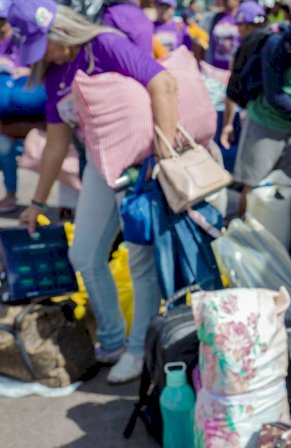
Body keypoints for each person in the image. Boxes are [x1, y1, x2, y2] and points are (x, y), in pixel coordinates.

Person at [12, 0, 178, 384]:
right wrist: (36, 202)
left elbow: (163, 83)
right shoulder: (54, 73)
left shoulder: (104, 44)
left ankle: (139, 349)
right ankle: (112, 339)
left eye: (44, 45)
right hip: (103, 170)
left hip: (141, 166)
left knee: (141, 261)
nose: (44, 56)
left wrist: (163, 157)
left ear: (60, 31)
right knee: (84, 254)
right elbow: (56, 143)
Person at [233, 0, 291, 193]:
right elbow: (273, 94)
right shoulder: (278, 44)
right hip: (265, 123)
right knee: (253, 187)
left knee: (282, 189)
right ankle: (243, 222)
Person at [0, 0, 46, 214]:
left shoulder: (23, 38)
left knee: (51, 152)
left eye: (2, 20)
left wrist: (25, 72)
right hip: (6, 114)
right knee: (4, 147)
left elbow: (41, 66)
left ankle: (44, 203)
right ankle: (11, 194)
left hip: (32, 109)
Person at [219, 0, 267, 149]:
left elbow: (233, 90)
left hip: (255, 117)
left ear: (246, 25)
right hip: (280, 120)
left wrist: (227, 125)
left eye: (239, 26)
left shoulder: (247, 47)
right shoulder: (276, 41)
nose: (238, 31)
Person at [206, 0, 241, 69]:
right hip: (216, 66)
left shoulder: (242, 17)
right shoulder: (217, 18)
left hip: (234, 67)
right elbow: (211, 42)